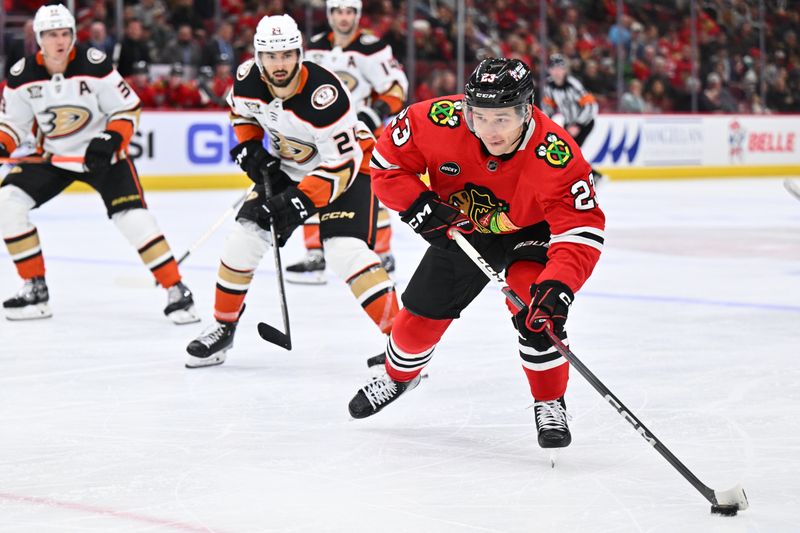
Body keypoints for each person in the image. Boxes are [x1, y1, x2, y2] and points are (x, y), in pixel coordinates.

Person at [348, 58, 606, 451]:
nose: (489, 130)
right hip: (462, 226)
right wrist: (419, 205)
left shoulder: (555, 153)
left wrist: (559, 286)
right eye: (480, 117)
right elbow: (386, 164)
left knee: (535, 311)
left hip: (531, 230)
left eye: (502, 118)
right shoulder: (435, 120)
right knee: (416, 322)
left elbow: (581, 229)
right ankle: (400, 377)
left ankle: (550, 399)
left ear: (526, 109)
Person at [185, 14, 398, 368]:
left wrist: (298, 203)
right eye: (271, 56)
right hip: (292, 166)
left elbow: (341, 165)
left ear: (300, 53)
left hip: (349, 170)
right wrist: (251, 147)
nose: (279, 64)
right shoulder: (246, 80)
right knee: (243, 239)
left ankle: (404, 345)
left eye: (286, 55)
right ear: (258, 57)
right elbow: (241, 114)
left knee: (345, 251)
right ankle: (223, 327)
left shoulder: (324, 94)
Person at [0, 4, 198, 324]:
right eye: (51, 35)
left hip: (103, 156)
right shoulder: (22, 75)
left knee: (132, 218)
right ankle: (34, 286)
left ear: (74, 35)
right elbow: (12, 124)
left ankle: (176, 288)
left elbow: (127, 108)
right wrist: (3, 142)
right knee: (7, 203)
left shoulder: (94, 64)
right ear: (39, 38)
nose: (59, 41)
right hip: (52, 156)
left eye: (65, 33)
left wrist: (109, 141)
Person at [288, 0, 409, 284]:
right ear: (330, 14)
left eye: (349, 11)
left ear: (357, 14)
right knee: (313, 185)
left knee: (372, 191)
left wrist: (373, 113)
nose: (344, 17)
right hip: (321, 132)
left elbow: (395, 87)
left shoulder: (371, 47)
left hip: (360, 134)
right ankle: (314, 254)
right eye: (338, 11)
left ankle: (383, 252)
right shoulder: (315, 46)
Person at [541, 53, 604, 181]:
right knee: (567, 153)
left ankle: (591, 175)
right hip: (569, 124)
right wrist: (544, 124)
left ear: (565, 70)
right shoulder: (549, 86)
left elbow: (591, 106)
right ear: (550, 70)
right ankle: (590, 175)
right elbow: (548, 108)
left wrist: (578, 125)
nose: (557, 72)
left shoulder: (573, 84)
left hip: (585, 123)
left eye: (560, 68)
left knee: (569, 153)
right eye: (554, 69)